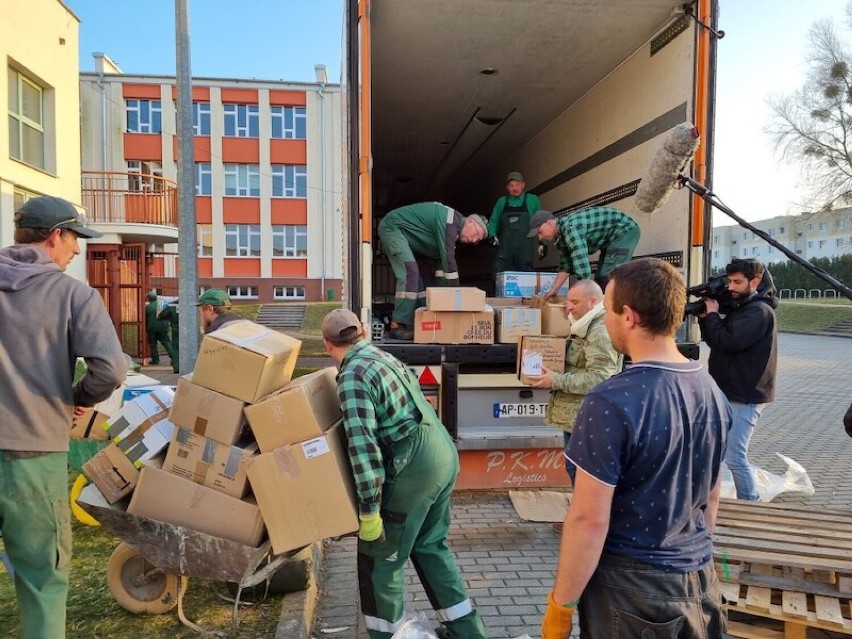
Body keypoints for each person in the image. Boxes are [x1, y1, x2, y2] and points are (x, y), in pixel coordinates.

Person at [541, 258, 731, 639]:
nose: (604, 318)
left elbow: (589, 521)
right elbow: (711, 495)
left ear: (627, 316)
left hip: (633, 596)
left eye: (606, 308)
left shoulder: (611, 401)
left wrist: (561, 606)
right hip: (701, 582)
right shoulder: (710, 388)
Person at [0, 195, 126, 638]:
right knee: (41, 580)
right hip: (32, 455)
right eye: (75, 239)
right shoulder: (71, 294)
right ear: (55, 236)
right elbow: (111, 369)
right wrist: (74, 397)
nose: (76, 250)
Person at [321, 308, 488, 639]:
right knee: (430, 547)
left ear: (327, 345)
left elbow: (363, 450)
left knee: (380, 559)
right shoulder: (385, 358)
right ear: (364, 332)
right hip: (440, 453)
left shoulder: (353, 377)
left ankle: (388, 635)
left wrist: (369, 515)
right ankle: (469, 633)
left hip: (414, 469)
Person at [525, 279, 621, 533]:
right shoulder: (583, 326)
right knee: (576, 467)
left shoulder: (599, 331)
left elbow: (600, 377)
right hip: (577, 413)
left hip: (588, 415)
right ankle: (584, 520)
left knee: (584, 470)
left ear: (593, 302)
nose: (568, 307)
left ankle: (588, 526)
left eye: (574, 302)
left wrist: (555, 379)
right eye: (568, 300)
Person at [698, 257, 778, 501]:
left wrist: (712, 315)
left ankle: (750, 501)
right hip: (730, 390)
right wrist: (706, 319)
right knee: (719, 452)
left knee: (734, 456)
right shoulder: (743, 308)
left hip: (745, 395)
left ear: (754, 282)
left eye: (737, 282)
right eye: (729, 281)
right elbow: (716, 340)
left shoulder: (758, 312)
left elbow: (727, 340)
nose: (730, 287)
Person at [377, 202, 488, 340]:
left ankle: (423, 318)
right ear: (470, 222)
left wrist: (443, 305)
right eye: (477, 234)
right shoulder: (450, 221)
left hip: (412, 240)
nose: (474, 240)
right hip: (393, 228)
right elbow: (449, 262)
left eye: (478, 240)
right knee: (410, 271)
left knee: (426, 277)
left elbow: (442, 268)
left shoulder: (452, 233)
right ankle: (398, 324)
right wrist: (457, 299)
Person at [527, 207, 640, 295]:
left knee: (608, 277)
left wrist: (576, 298)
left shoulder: (571, 229)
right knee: (600, 277)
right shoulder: (560, 238)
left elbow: (583, 270)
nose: (540, 238)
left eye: (540, 232)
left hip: (624, 230)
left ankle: (613, 312)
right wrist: (554, 289)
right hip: (609, 240)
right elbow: (566, 266)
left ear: (550, 223)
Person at [487, 171, 542, 276]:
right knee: (497, 275)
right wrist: (492, 235)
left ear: (523, 185)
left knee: (526, 278)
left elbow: (540, 223)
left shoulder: (533, 200)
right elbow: (493, 221)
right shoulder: (501, 202)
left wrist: (543, 243)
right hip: (505, 251)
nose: (515, 188)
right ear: (507, 187)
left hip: (525, 251)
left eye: (517, 184)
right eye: (511, 186)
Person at [145, 291, 177, 368]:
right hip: (163, 327)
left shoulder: (148, 307)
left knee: (153, 344)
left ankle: (155, 360)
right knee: (166, 342)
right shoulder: (161, 304)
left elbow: (146, 318)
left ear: (149, 298)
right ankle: (174, 357)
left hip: (152, 328)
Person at [157, 298, 180, 373]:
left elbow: (160, 316)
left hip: (176, 328)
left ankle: (177, 366)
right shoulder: (191, 304)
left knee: (176, 348)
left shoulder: (172, 305)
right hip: (189, 329)